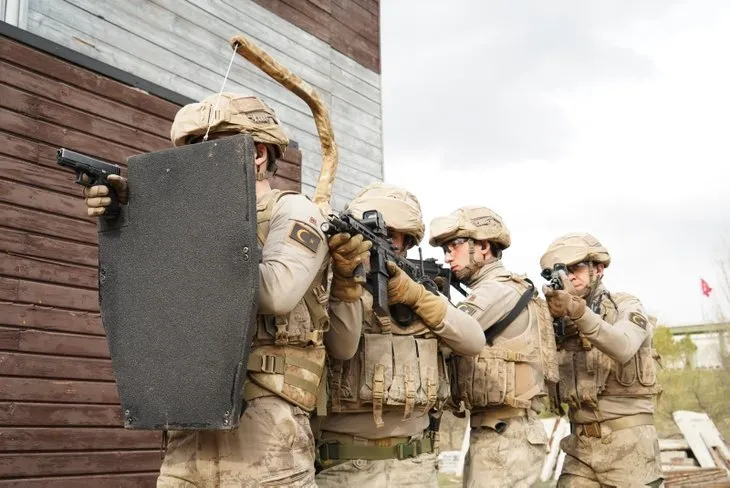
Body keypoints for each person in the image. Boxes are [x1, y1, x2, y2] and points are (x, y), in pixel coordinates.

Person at [83, 92, 360, 487]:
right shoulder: (185, 223)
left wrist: (174, 231)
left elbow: (273, 293)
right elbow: (134, 298)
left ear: (258, 154)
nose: (193, 162)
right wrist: (129, 225)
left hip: (265, 434)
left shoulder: (293, 210)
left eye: (207, 148)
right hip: (188, 423)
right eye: (190, 149)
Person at [314, 183, 486, 487]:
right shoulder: (330, 283)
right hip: (346, 468)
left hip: (415, 467)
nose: (379, 243)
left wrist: (416, 295)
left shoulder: (422, 292)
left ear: (406, 242)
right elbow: (342, 347)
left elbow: (473, 341)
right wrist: (346, 285)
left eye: (391, 236)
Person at [429, 206, 556, 488]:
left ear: (484, 246)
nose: (447, 255)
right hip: (497, 433)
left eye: (455, 245)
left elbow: (446, 337)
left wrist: (423, 299)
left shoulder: (496, 290)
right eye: (445, 249)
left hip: (505, 437)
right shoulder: (495, 288)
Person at [540, 233, 663, 487]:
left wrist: (576, 311)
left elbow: (623, 346)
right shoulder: (557, 321)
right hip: (579, 447)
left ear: (598, 268)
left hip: (629, 446)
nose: (570, 276)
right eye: (562, 271)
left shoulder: (625, 305)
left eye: (577, 268)